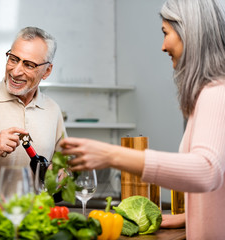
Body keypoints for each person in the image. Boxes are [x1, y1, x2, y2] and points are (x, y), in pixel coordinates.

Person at [60, 0, 225, 239]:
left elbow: (207, 171)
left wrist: (111, 155)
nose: (162, 46)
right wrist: (188, 215)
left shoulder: (216, 92)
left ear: (189, 32)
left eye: (165, 33)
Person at [0, 26, 66, 199]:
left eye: (29, 65)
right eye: (14, 59)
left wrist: (62, 171)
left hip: (37, 218)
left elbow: (64, 162)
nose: (16, 71)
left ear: (47, 71)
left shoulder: (53, 109)